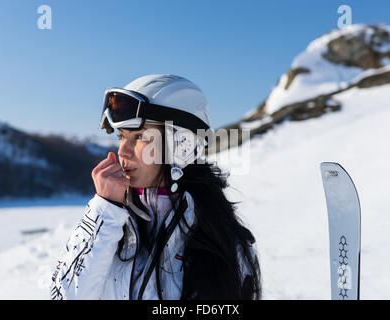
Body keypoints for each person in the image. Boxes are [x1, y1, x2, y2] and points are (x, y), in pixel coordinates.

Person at [50, 74, 261, 300]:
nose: (123, 151)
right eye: (122, 136)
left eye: (140, 136)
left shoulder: (230, 245)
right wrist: (105, 211)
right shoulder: (110, 225)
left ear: (183, 144)